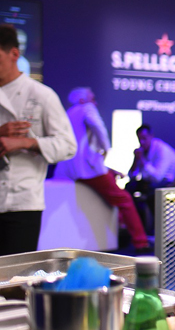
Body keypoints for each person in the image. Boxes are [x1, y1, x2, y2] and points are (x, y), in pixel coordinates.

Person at [0, 24, 76, 255]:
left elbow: (67, 145)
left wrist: (25, 142)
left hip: (22, 204)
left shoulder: (41, 95)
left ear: (14, 54)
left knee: (12, 280)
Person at [54, 87, 151, 252]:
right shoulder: (87, 109)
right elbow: (97, 127)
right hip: (88, 169)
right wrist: (106, 149)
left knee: (114, 187)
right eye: (92, 98)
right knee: (124, 199)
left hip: (69, 169)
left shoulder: (69, 113)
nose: (95, 102)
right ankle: (140, 242)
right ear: (84, 99)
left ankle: (123, 233)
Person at [127, 124, 175, 234]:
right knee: (129, 187)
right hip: (151, 183)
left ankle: (156, 231)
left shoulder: (162, 150)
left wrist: (143, 160)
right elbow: (131, 175)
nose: (142, 142)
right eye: (140, 139)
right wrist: (136, 160)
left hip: (167, 183)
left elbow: (157, 177)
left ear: (151, 136)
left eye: (144, 138)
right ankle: (136, 230)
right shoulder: (142, 151)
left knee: (152, 192)